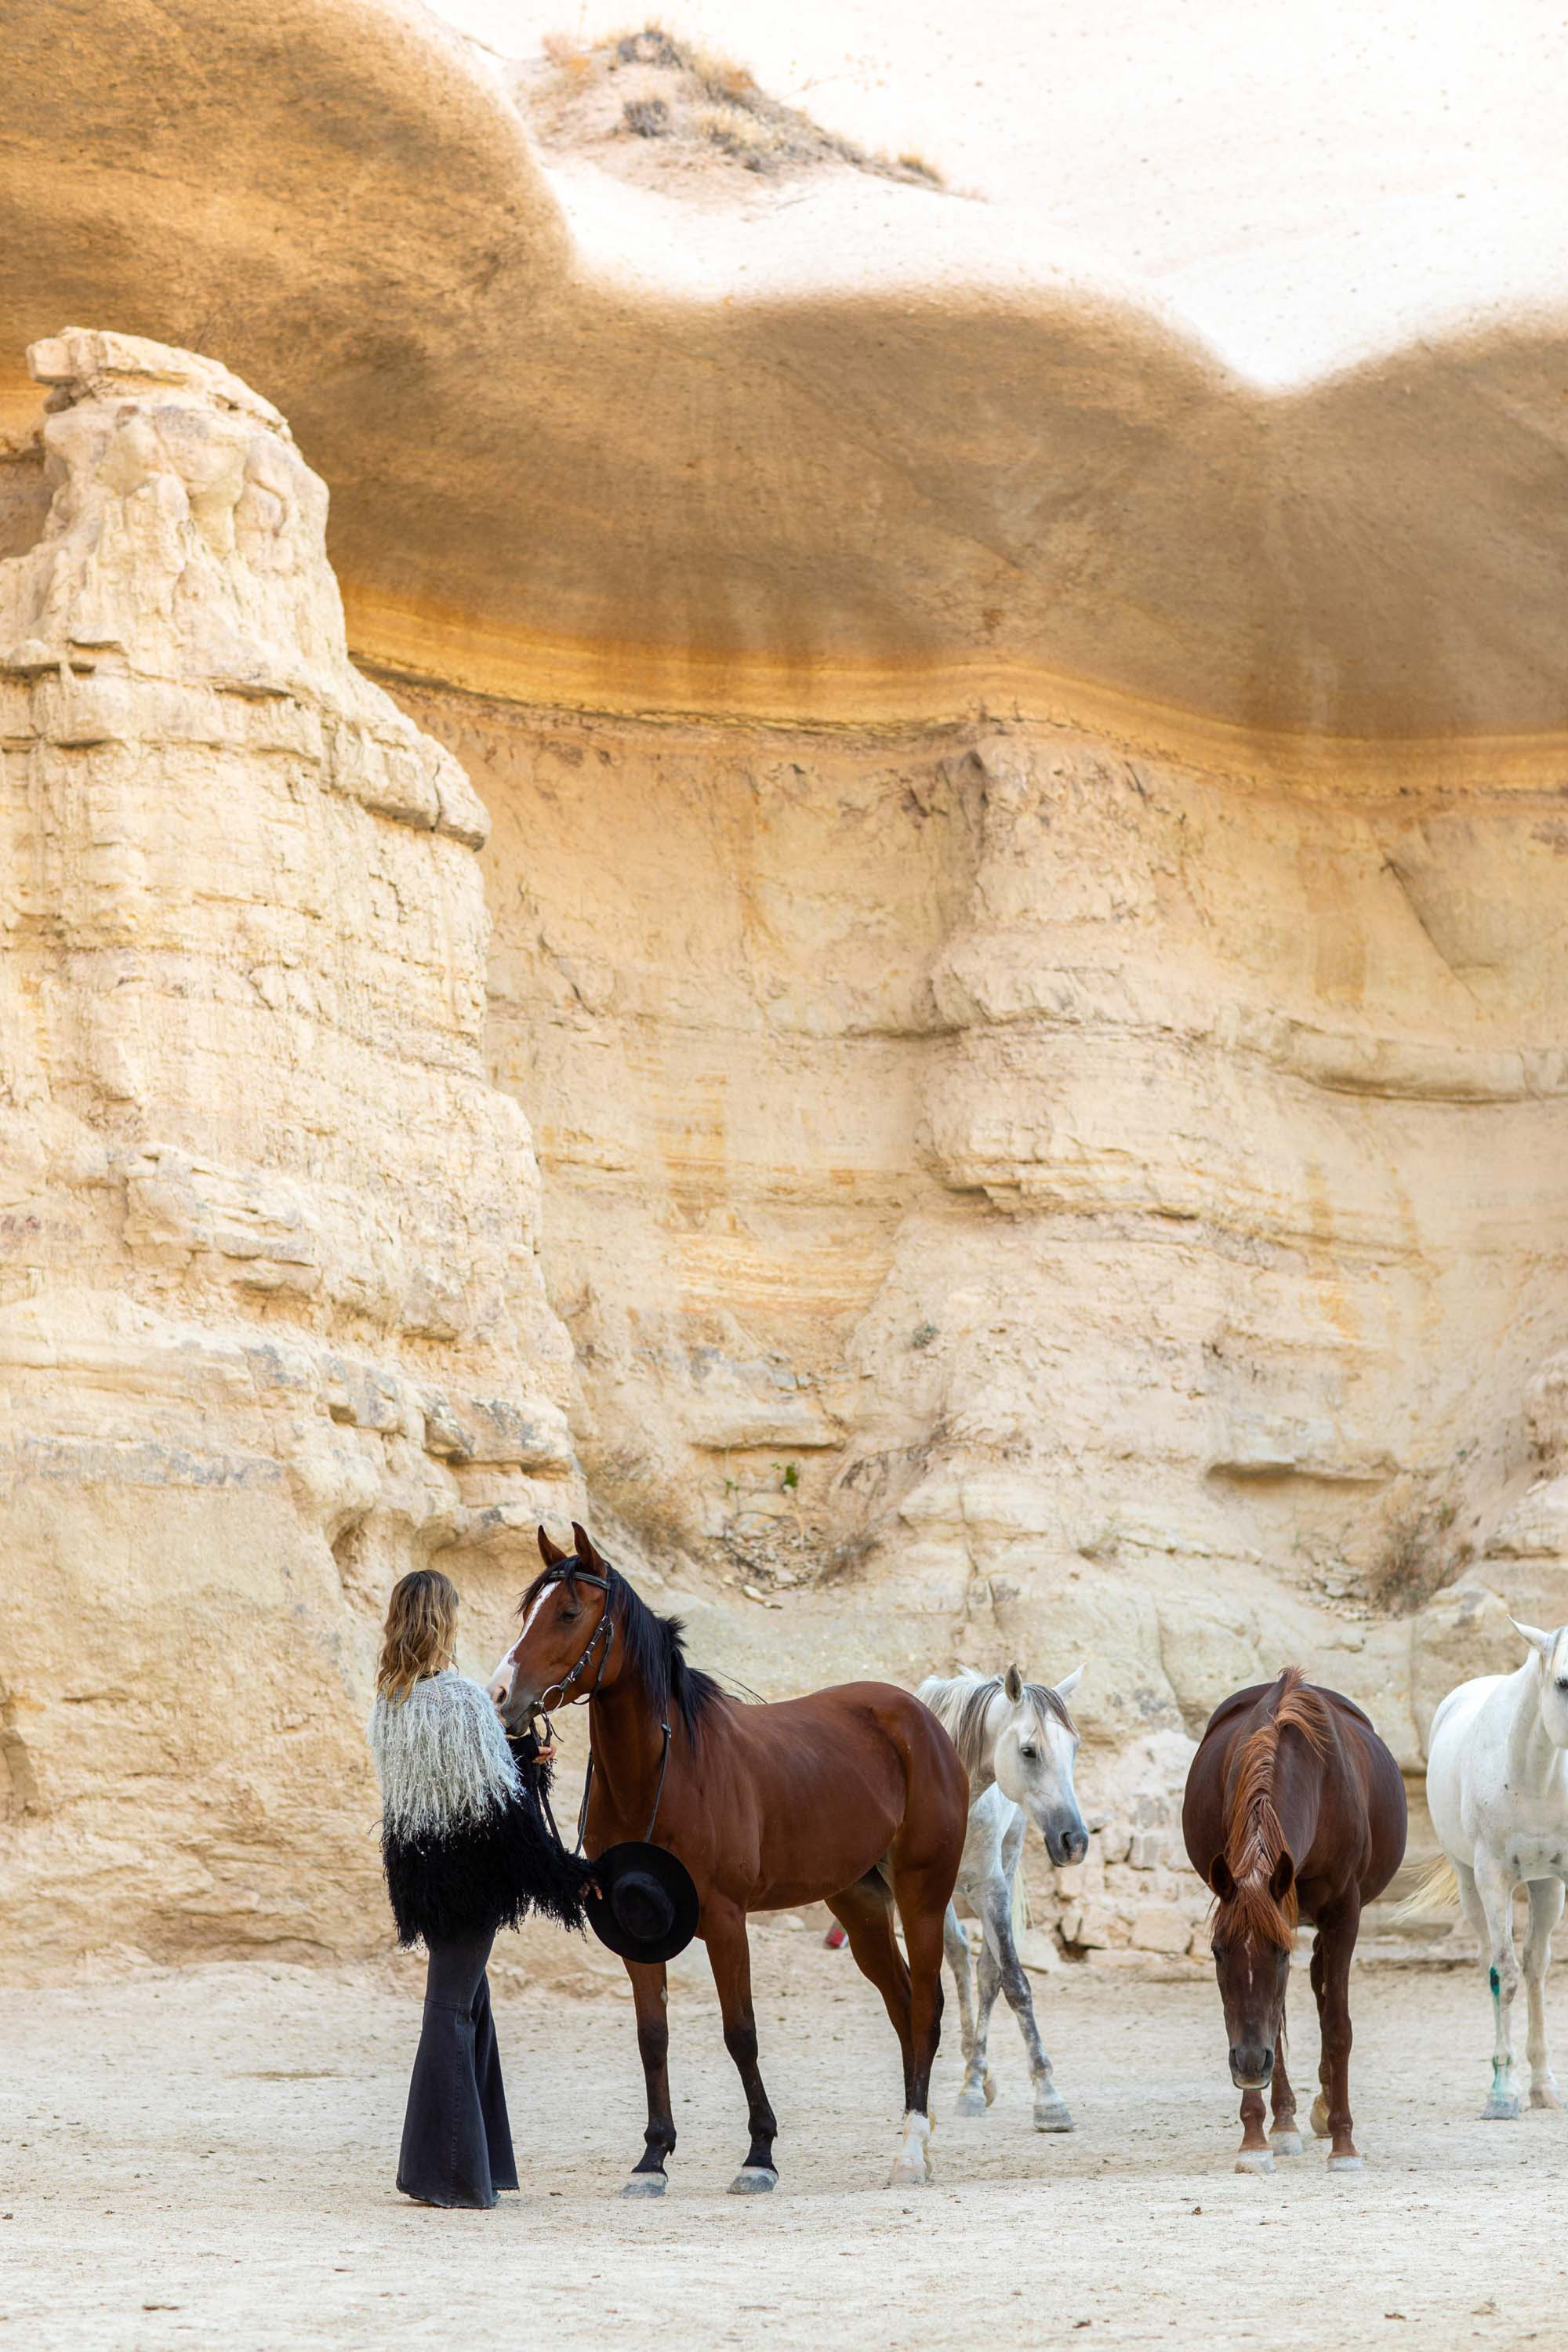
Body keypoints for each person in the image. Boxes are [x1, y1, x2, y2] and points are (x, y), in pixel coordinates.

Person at [368, 1568, 586, 2209]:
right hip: (470, 1878)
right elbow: (503, 1813)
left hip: (424, 1877)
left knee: (468, 2004)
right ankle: (446, 2174)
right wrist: (570, 1879)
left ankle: (484, 2163)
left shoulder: (390, 1699)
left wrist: (519, 1757)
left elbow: (451, 1782)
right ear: (443, 1621)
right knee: (451, 2010)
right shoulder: (462, 1698)